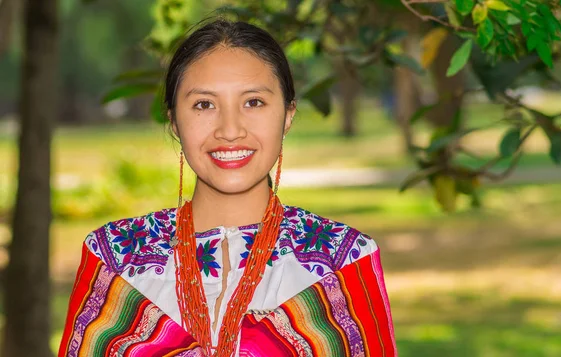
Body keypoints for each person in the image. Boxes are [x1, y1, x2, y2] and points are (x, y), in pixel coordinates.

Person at [58, 19, 397, 357]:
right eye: (204, 104)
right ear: (174, 121)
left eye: (253, 102)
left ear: (288, 114)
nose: (230, 130)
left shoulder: (345, 260)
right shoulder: (114, 257)